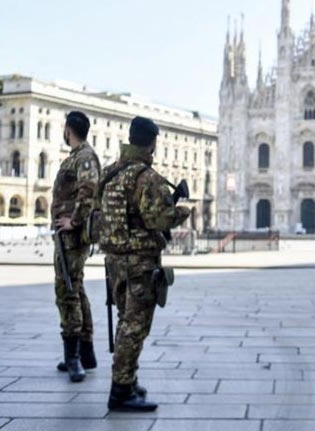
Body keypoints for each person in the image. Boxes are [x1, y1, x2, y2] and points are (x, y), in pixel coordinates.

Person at [99, 116, 189, 412]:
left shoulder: (110, 173)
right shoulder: (146, 177)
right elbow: (158, 219)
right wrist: (180, 213)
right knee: (135, 326)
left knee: (126, 322)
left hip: (114, 260)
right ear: (152, 143)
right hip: (138, 262)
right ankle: (121, 391)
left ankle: (129, 380)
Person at [51, 111, 99, 382]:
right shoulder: (77, 156)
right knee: (76, 289)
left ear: (69, 129)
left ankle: (74, 358)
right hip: (65, 237)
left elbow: (89, 190)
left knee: (67, 290)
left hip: (72, 237)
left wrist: (74, 221)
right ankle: (84, 353)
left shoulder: (84, 157)